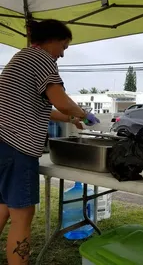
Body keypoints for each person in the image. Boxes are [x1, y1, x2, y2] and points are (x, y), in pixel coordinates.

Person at [0, 19, 100, 265]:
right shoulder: (42, 59)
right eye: (64, 46)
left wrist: (70, 117)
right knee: (22, 216)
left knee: (2, 207)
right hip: (17, 147)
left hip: (2, 143)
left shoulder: (21, 58)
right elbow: (60, 99)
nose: (63, 54)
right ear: (52, 40)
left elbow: (41, 106)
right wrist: (84, 114)